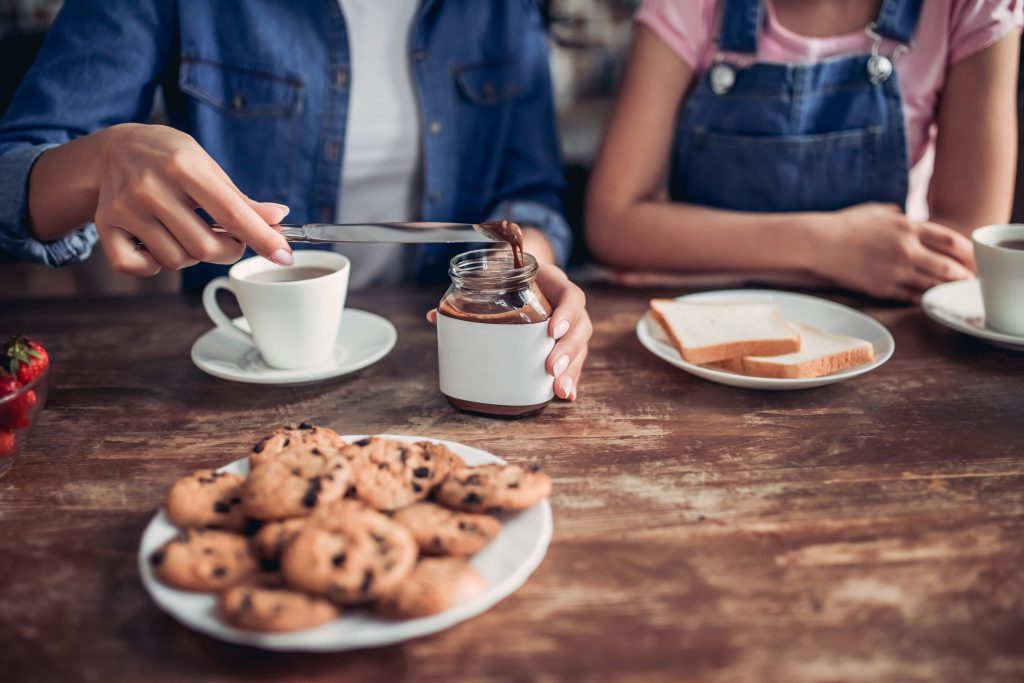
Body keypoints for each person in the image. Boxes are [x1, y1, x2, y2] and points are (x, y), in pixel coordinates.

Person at [0, 0, 589, 400]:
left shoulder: (503, 11)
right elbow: (12, 175)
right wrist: (100, 161)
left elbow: (531, 193)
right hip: (229, 389)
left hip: (436, 371)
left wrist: (517, 272)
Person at [586, 0, 1021, 301]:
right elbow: (613, 223)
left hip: (889, 318)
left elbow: (964, 249)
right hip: (703, 307)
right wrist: (828, 246)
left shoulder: (970, 8)